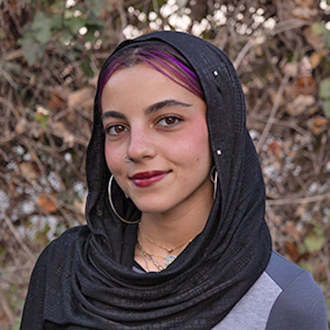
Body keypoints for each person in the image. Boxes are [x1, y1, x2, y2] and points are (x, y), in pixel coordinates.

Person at [20, 31, 328, 330]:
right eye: (116, 128)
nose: (136, 148)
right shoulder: (66, 271)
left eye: (168, 120)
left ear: (220, 129)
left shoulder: (284, 299)